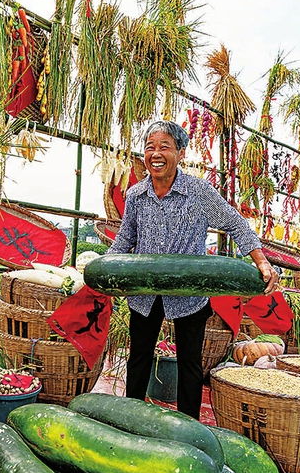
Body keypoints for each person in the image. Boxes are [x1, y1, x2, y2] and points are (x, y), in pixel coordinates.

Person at [107, 120, 278, 419]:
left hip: (189, 292)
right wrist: (105, 267)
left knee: (190, 363)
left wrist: (260, 260)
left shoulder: (198, 192)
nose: (155, 154)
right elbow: (126, 239)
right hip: (145, 292)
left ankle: (189, 424)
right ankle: (129, 418)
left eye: (164, 147)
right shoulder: (136, 195)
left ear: (181, 152)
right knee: (138, 358)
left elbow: (235, 223)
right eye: (149, 148)